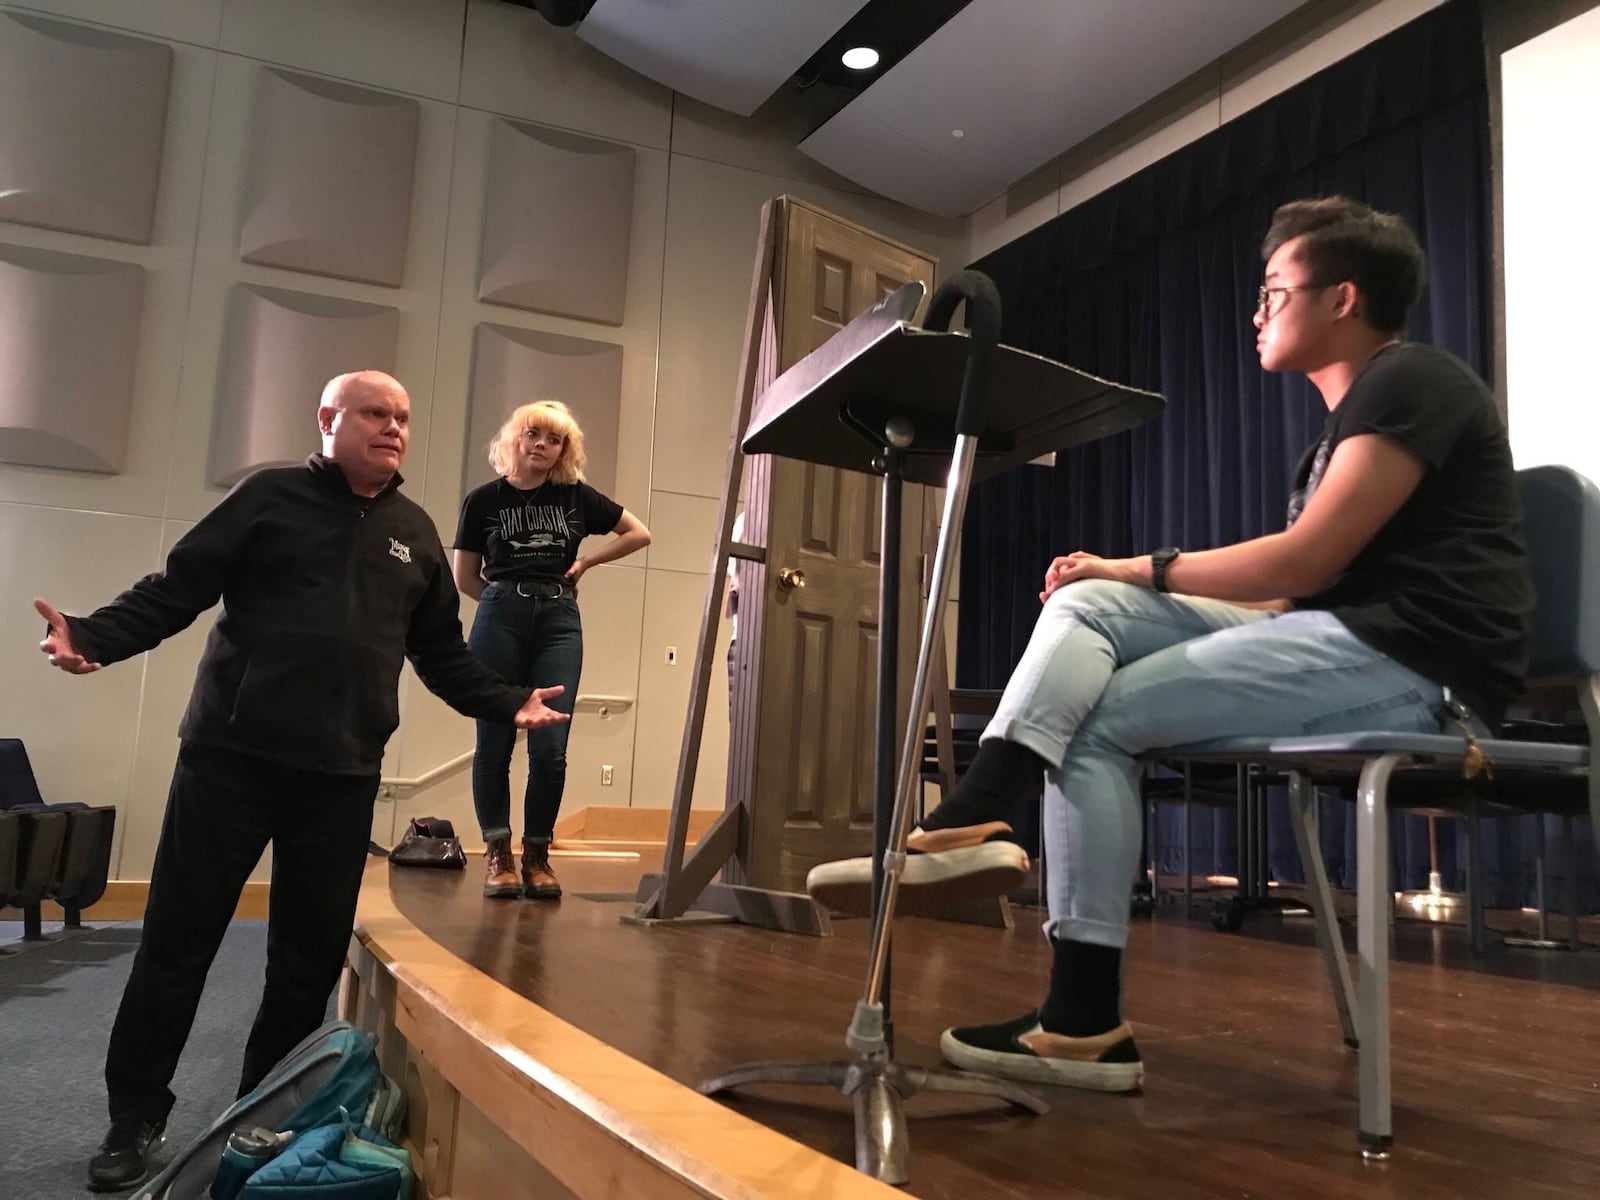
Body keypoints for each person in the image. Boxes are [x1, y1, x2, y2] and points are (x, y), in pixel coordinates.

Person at [807, 197, 1532, 1093]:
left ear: (1342, 298)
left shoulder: (1411, 381)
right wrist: (1112, 575)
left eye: (1275, 289)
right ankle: (981, 818)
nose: (1256, 310)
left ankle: (1074, 1006)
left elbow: (1308, 561)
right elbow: (1286, 591)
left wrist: (1139, 563)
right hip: (1343, 640)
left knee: (1094, 711)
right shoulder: (1337, 433)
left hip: (1423, 669)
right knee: (1091, 603)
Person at [36, 370, 569, 1192]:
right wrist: (94, 636)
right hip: (228, 762)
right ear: (328, 418)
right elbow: (177, 588)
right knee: (177, 948)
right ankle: (132, 1119)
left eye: (403, 416)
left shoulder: (416, 532)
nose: (393, 428)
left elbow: (441, 655)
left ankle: (258, 1115)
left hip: (342, 776)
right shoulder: (268, 499)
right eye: (374, 413)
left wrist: (508, 699)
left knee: (305, 963)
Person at [452, 399, 650, 900]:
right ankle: (498, 852)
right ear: (514, 439)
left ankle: (538, 855)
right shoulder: (483, 500)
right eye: (533, 434)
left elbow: (638, 533)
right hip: (498, 618)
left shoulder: (575, 497)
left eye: (554, 439)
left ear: (564, 450)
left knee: (551, 747)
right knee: (493, 741)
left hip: (559, 620)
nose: (542, 444)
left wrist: (585, 564)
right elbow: (463, 577)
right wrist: (503, 603)